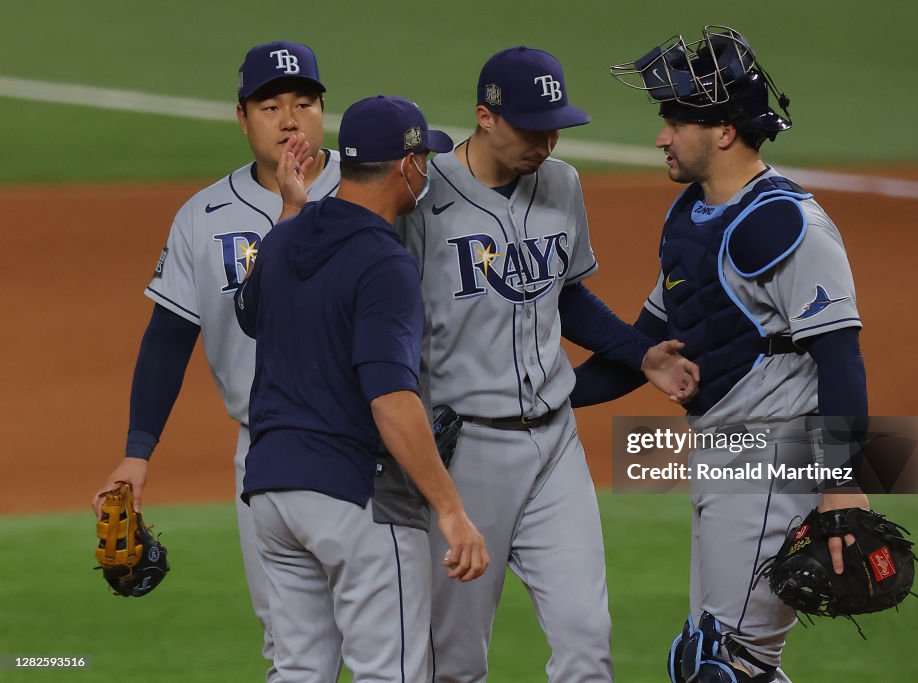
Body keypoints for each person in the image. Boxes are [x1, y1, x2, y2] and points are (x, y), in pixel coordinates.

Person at [573, 26, 870, 682]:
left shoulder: (787, 224)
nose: (661, 137)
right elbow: (644, 348)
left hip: (776, 459)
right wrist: (536, 397)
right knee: (708, 658)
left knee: (724, 665)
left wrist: (841, 486)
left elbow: (840, 357)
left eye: (675, 121)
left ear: (725, 131)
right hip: (724, 458)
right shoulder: (690, 218)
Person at [399, 47, 698, 682]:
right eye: (532, 126)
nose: (548, 138)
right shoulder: (423, 200)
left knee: (588, 640)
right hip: (464, 453)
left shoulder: (562, 183)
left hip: (555, 446)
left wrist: (637, 352)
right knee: (453, 659)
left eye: (555, 124)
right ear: (484, 116)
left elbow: (566, 293)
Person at [90, 41, 339, 680]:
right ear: (242, 117)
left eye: (304, 103)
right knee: (293, 649)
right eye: (271, 105)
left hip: (372, 440)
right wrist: (137, 451)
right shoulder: (202, 217)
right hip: (267, 449)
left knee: (400, 642)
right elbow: (169, 337)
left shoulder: (369, 187)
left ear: (322, 111)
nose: (290, 120)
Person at [233, 94, 489, 682]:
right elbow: (389, 397)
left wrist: (292, 211)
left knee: (298, 670)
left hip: (272, 493)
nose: (426, 168)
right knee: (390, 672)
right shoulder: (384, 261)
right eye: (423, 157)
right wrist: (450, 511)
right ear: (405, 167)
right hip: (355, 497)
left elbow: (251, 310)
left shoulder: (288, 235)